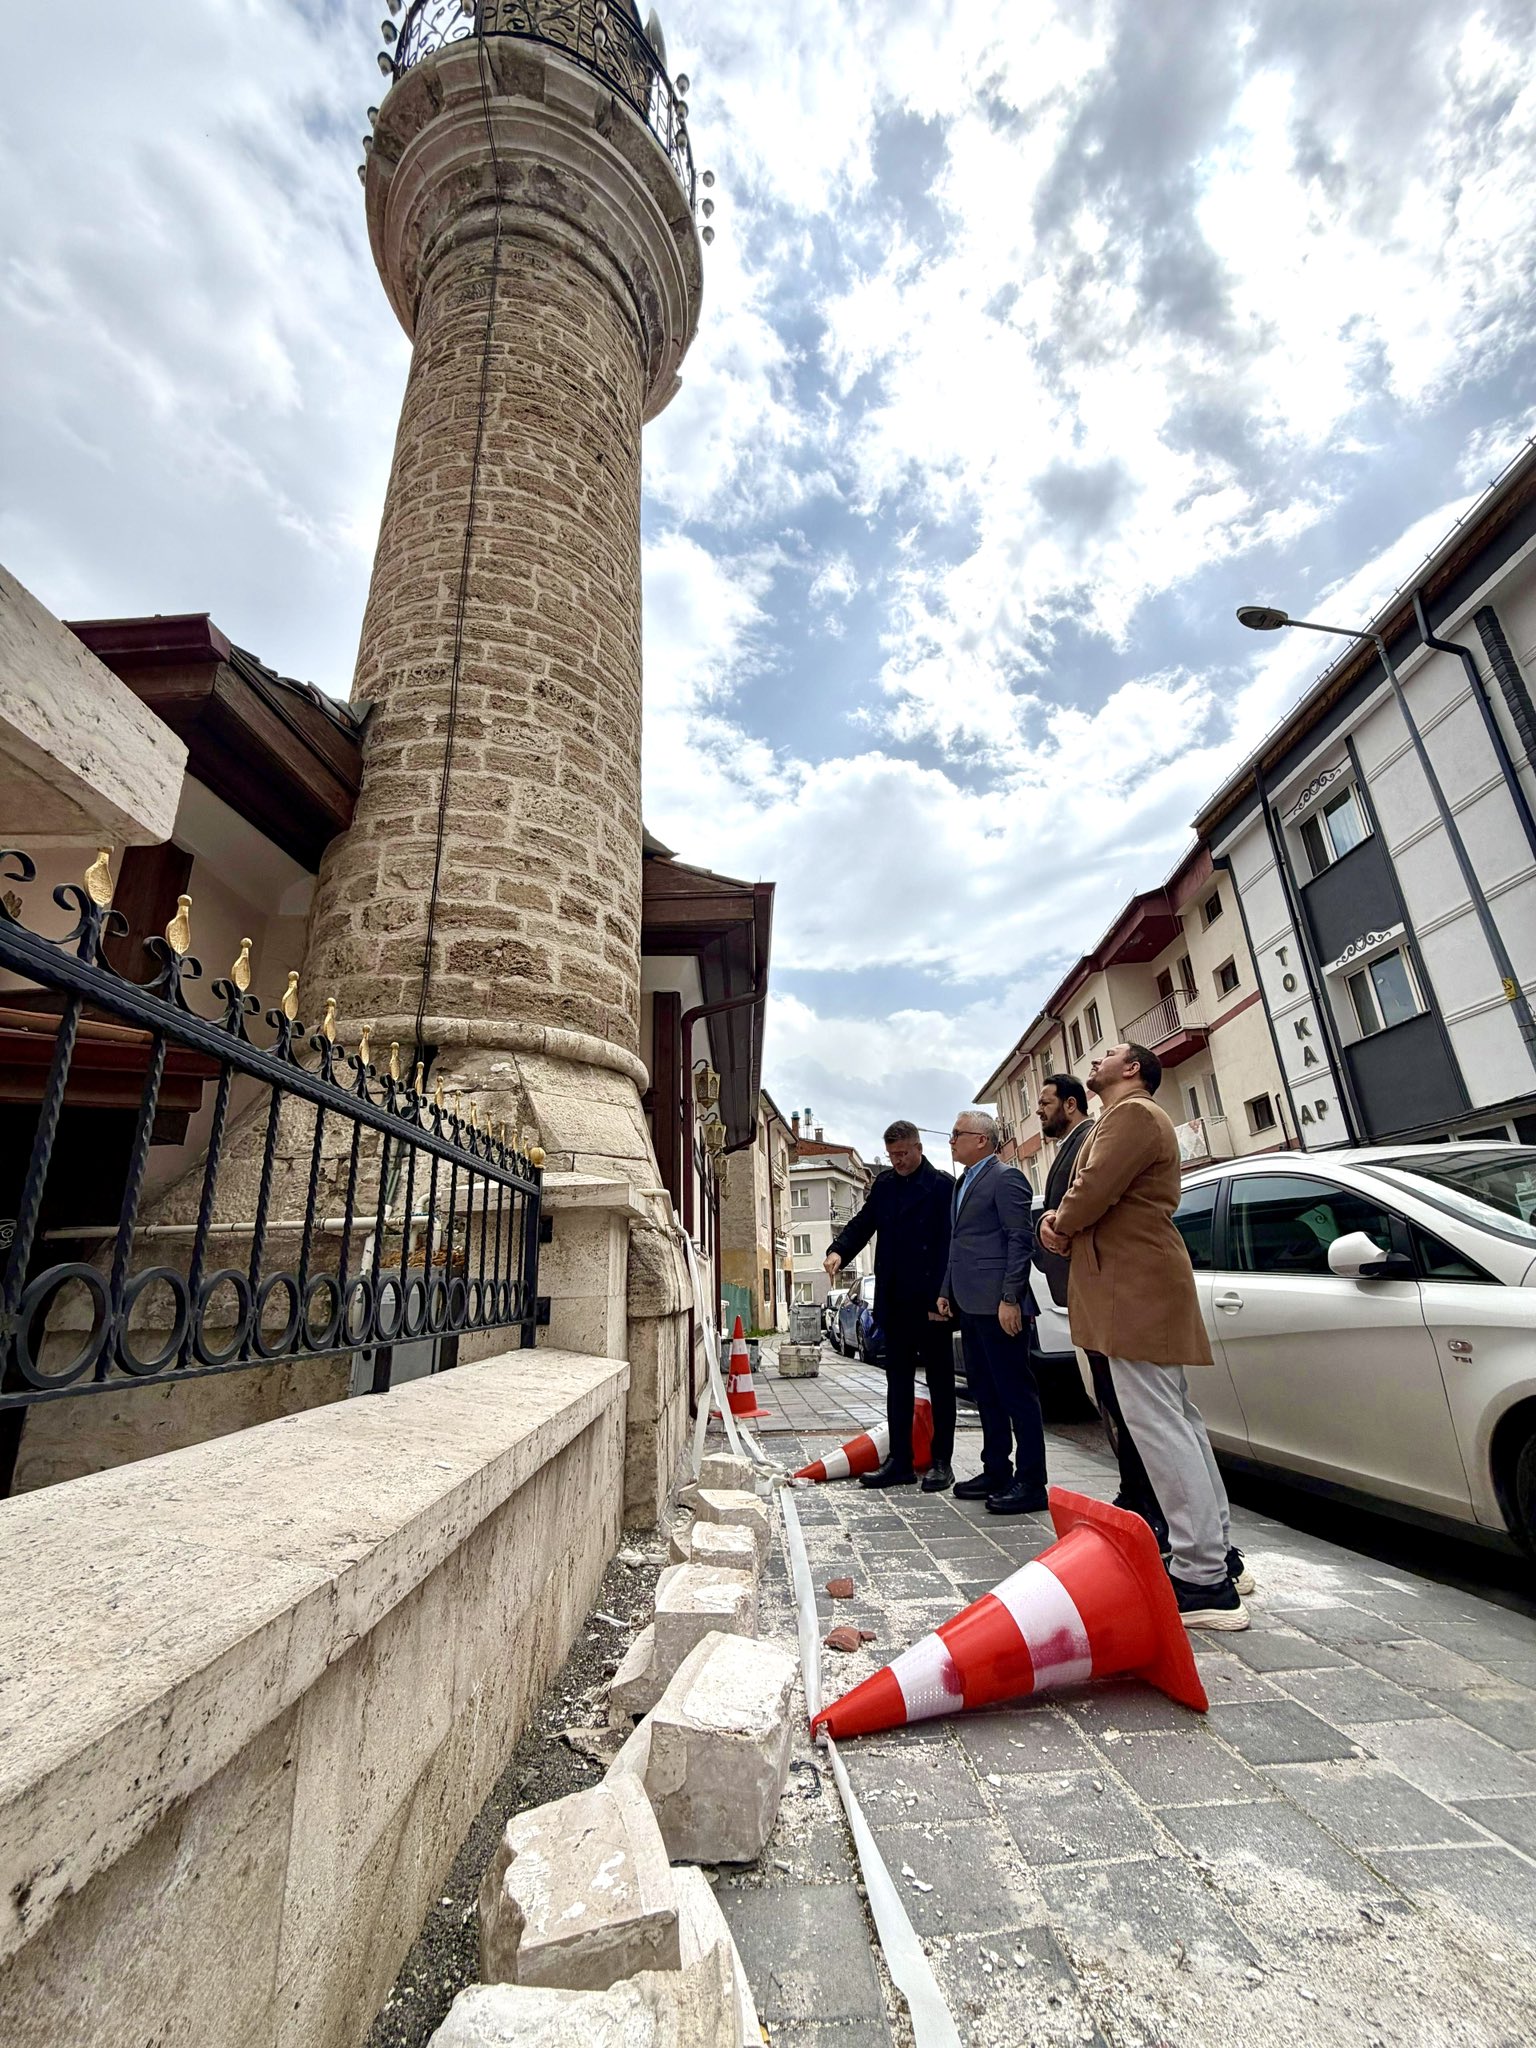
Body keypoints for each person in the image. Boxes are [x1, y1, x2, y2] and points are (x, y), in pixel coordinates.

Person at [1038, 1043, 1250, 1628]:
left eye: (1107, 1053)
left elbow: (1092, 1190)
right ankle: (1215, 1553)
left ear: (1132, 1069)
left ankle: (1203, 1577)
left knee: (1158, 1425)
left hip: (1132, 1285)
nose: (1095, 1058)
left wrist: (1055, 1223)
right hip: (1135, 1281)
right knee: (1176, 1420)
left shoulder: (1130, 1115)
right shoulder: (1134, 1117)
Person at [1035, 1073, 1168, 1553]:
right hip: (1081, 1285)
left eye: (1046, 1103)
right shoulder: (1068, 1145)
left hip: (1103, 1281)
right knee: (1112, 1401)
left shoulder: (1098, 1136)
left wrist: (1056, 1225)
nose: (1039, 1112)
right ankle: (1132, 1494)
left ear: (1071, 1106)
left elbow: (1091, 1198)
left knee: (1127, 1403)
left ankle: (1146, 1504)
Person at [823, 1119, 956, 1491]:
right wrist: (838, 1251)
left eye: (903, 1154)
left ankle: (942, 1462)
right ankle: (899, 1460)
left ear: (919, 1149)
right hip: (895, 1302)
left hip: (932, 1303)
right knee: (897, 1384)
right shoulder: (884, 1186)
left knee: (941, 1383)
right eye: (892, 1155)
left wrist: (946, 1296)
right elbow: (863, 1223)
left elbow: (952, 1246)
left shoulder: (942, 1186)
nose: (897, 1161)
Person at [935, 1111, 1046, 1515]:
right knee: (985, 1392)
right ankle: (997, 1469)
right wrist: (947, 1290)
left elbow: (1020, 1240)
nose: (951, 1141)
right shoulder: (963, 1182)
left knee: (1016, 1393)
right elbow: (959, 1242)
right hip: (970, 1303)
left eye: (956, 1134)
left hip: (1000, 1306)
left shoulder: (1006, 1178)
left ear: (981, 1140)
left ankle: (1032, 1482)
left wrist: (1011, 1298)